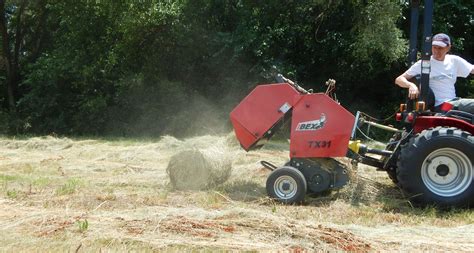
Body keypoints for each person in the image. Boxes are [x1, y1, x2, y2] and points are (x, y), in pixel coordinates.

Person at [395, 33, 474, 113]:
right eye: (434, 47)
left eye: (440, 48)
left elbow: (472, 69)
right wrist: (411, 85)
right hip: (441, 106)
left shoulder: (454, 60)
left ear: (448, 48)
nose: (436, 51)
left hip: (453, 102)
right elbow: (399, 79)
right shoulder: (424, 63)